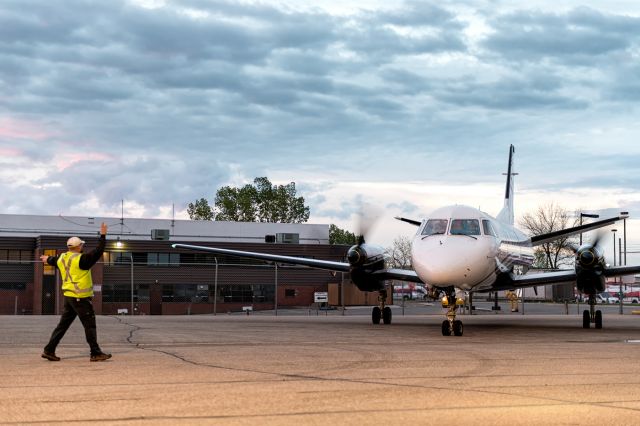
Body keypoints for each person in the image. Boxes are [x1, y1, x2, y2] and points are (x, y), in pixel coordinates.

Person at [40, 223, 112, 362]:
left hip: (69, 297)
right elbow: (98, 251)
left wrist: (45, 258)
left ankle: (49, 350)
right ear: (79, 247)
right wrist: (103, 235)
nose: (82, 247)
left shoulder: (62, 258)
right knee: (89, 325)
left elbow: (52, 260)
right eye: (82, 245)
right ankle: (95, 353)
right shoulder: (82, 260)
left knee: (62, 325)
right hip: (80, 298)